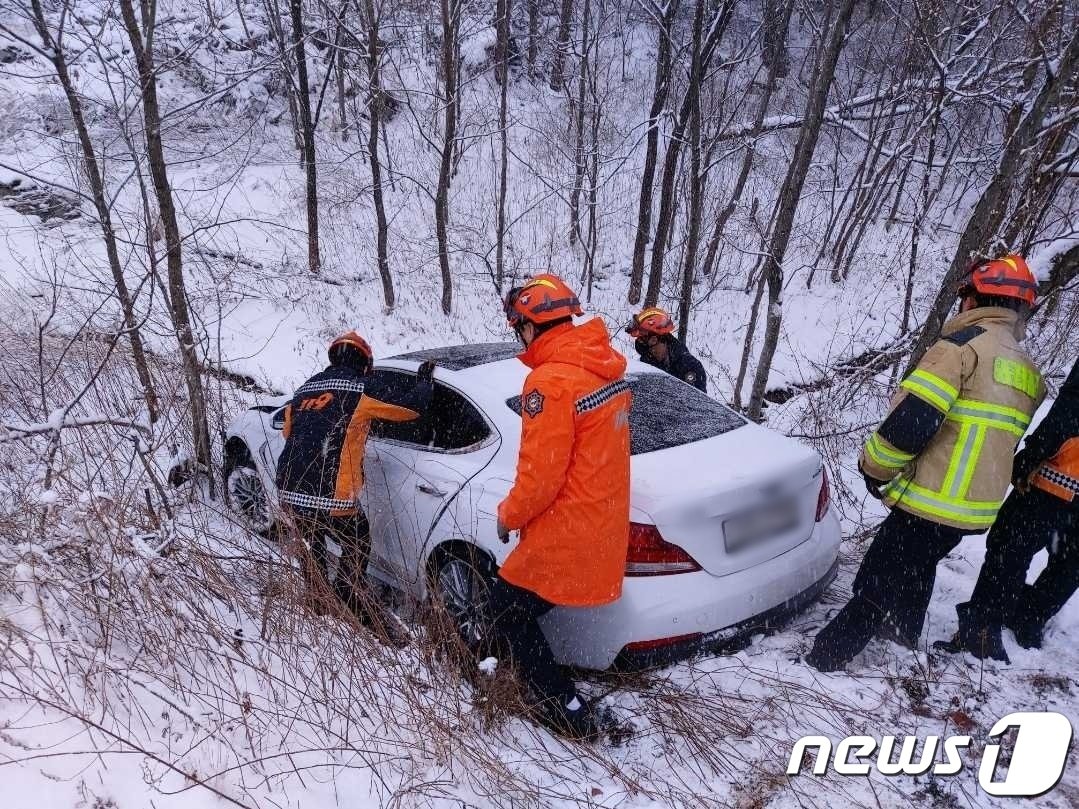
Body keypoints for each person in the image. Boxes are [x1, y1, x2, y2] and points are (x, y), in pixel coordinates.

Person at [806, 255, 1044, 672]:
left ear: (974, 299)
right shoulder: (1027, 370)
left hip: (930, 499)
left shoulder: (960, 350)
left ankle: (824, 660)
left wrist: (874, 468)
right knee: (919, 566)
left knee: (874, 583)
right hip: (972, 508)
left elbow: (910, 425)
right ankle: (901, 634)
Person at [492, 273, 631, 739]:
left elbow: (540, 477)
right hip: (600, 522)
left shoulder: (549, 383)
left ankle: (563, 709)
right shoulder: (601, 367)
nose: (519, 336)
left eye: (519, 327)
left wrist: (508, 515)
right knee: (517, 610)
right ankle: (508, 674)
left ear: (532, 325)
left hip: (565, 528)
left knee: (505, 609)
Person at [276, 331, 434, 636]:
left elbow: (288, 431)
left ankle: (318, 598)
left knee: (312, 544)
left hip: (290, 485)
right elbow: (409, 409)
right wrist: (424, 385)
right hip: (331, 492)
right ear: (365, 363)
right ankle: (347, 594)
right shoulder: (361, 388)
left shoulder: (305, 388)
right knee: (357, 541)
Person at [940, 356, 1078, 661]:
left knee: (1010, 545)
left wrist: (1033, 454)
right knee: (1070, 561)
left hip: (1061, 475)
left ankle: (982, 632)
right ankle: (1030, 618)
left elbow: (1072, 409)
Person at [625, 307, 707, 392]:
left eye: (652, 343)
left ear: (663, 340)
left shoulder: (690, 367)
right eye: (645, 347)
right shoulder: (646, 366)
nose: (650, 351)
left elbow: (696, 401)